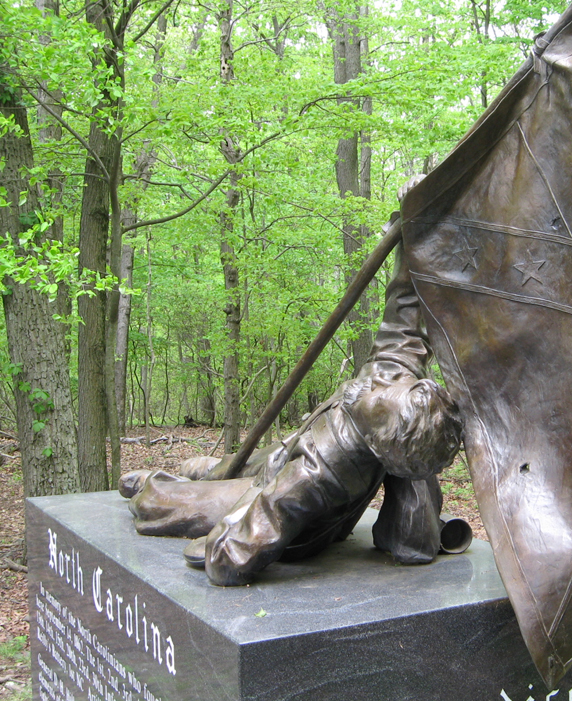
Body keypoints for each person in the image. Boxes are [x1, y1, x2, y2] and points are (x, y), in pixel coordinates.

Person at [121, 177, 468, 585]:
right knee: (233, 467)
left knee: (169, 502)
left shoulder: (321, 472)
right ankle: (208, 468)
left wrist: (224, 549)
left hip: (286, 496)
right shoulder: (394, 382)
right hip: (282, 452)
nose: (380, 388)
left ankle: (157, 482)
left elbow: (250, 535)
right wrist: (421, 219)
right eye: (395, 389)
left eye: (382, 404)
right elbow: (406, 309)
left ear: (382, 442)